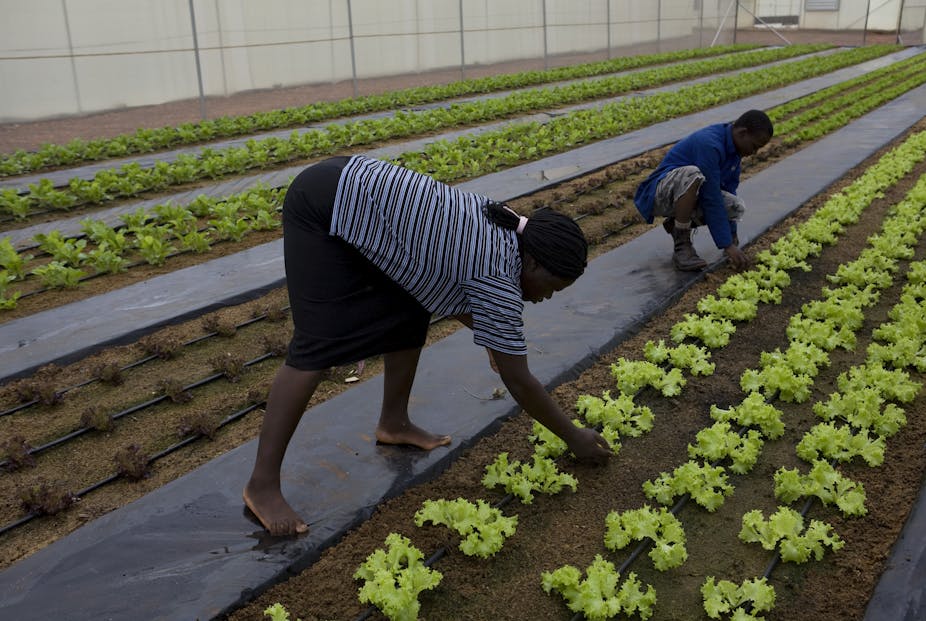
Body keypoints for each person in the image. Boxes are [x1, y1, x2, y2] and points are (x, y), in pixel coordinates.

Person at [243, 154, 612, 536]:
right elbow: (520, 382)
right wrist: (575, 437)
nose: (547, 298)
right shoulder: (498, 275)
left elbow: (445, 273)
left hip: (358, 191)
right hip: (323, 205)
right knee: (315, 347)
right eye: (552, 287)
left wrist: (490, 336)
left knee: (408, 311)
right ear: (533, 264)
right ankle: (262, 485)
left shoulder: (511, 232)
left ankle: (394, 422)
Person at [633, 109, 773, 271]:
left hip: (686, 195)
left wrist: (731, 238)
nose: (754, 152)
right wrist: (726, 245)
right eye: (754, 146)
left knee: (735, 205)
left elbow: (728, 190)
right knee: (692, 174)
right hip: (658, 194)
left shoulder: (734, 153)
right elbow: (711, 197)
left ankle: (677, 223)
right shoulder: (710, 144)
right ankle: (682, 245)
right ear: (742, 133)